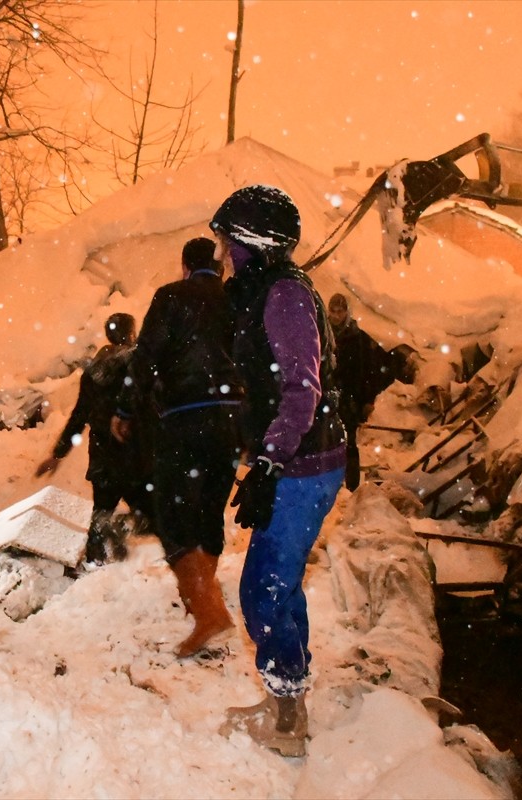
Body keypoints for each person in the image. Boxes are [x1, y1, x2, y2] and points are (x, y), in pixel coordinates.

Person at [211, 185, 346, 757]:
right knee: (280, 582)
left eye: (226, 244)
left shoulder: (285, 294)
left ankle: (286, 719)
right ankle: (289, 699)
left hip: (303, 465)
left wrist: (270, 461)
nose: (220, 256)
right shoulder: (268, 290)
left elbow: (301, 389)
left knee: (261, 590)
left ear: (251, 244)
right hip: (301, 460)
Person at [113, 237, 245, 658]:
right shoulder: (233, 301)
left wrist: (125, 407)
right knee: (209, 510)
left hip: (186, 416)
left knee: (170, 514)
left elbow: (146, 356)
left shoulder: (171, 297)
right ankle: (202, 601)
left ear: (186, 265)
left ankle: (208, 611)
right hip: (230, 420)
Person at [36, 313, 153, 566]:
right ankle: (123, 527)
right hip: (134, 455)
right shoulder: (139, 365)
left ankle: (94, 563)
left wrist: (58, 454)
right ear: (132, 333)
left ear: (108, 334)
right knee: (152, 516)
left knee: (101, 514)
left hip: (103, 456)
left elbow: (79, 416)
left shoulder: (94, 372)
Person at [327, 293, 392, 490]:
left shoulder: (358, 338)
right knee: (325, 444)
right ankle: (329, 484)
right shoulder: (323, 334)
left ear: (347, 312)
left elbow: (369, 371)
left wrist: (367, 399)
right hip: (326, 399)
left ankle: (351, 487)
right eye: (334, 311)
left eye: (341, 311)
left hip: (349, 400)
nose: (337, 315)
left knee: (349, 445)